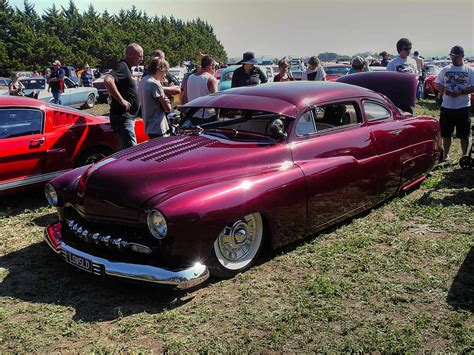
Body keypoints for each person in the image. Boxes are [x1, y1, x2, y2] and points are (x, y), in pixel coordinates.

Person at [433, 45, 474, 161]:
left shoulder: (469, 70)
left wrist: (462, 91)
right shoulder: (446, 70)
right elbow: (436, 84)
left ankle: (464, 156)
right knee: (446, 134)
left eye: (455, 56)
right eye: (451, 56)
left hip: (463, 107)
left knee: (464, 134)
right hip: (447, 107)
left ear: (462, 56)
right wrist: (444, 90)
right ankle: (445, 155)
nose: (453, 59)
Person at [104, 43, 144, 149]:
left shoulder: (127, 68)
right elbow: (108, 80)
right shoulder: (122, 66)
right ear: (130, 54)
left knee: (127, 151)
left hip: (127, 118)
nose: (142, 59)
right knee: (131, 153)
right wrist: (121, 100)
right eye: (140, 56)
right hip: (123, 118)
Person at [138, 57, 172, 139]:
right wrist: (167, 102)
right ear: (159, 70)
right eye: (165, 72)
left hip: (149, 125)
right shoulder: (155, 83)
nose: (165, 75)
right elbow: (168, 109)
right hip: (158, 126)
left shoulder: (143, 81)